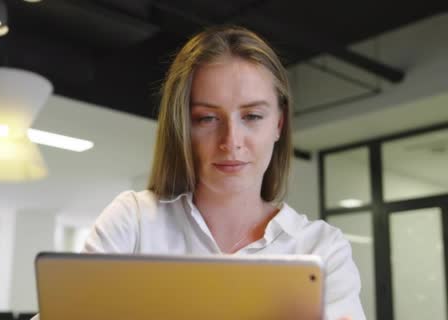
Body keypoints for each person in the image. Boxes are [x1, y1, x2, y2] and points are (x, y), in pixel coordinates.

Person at [81, 25, 366, 320]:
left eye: (252, 116)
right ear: (183, 127)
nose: (231, 141)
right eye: (207, 118)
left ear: (278, 124)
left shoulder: (321, 249)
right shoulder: (135, 222)